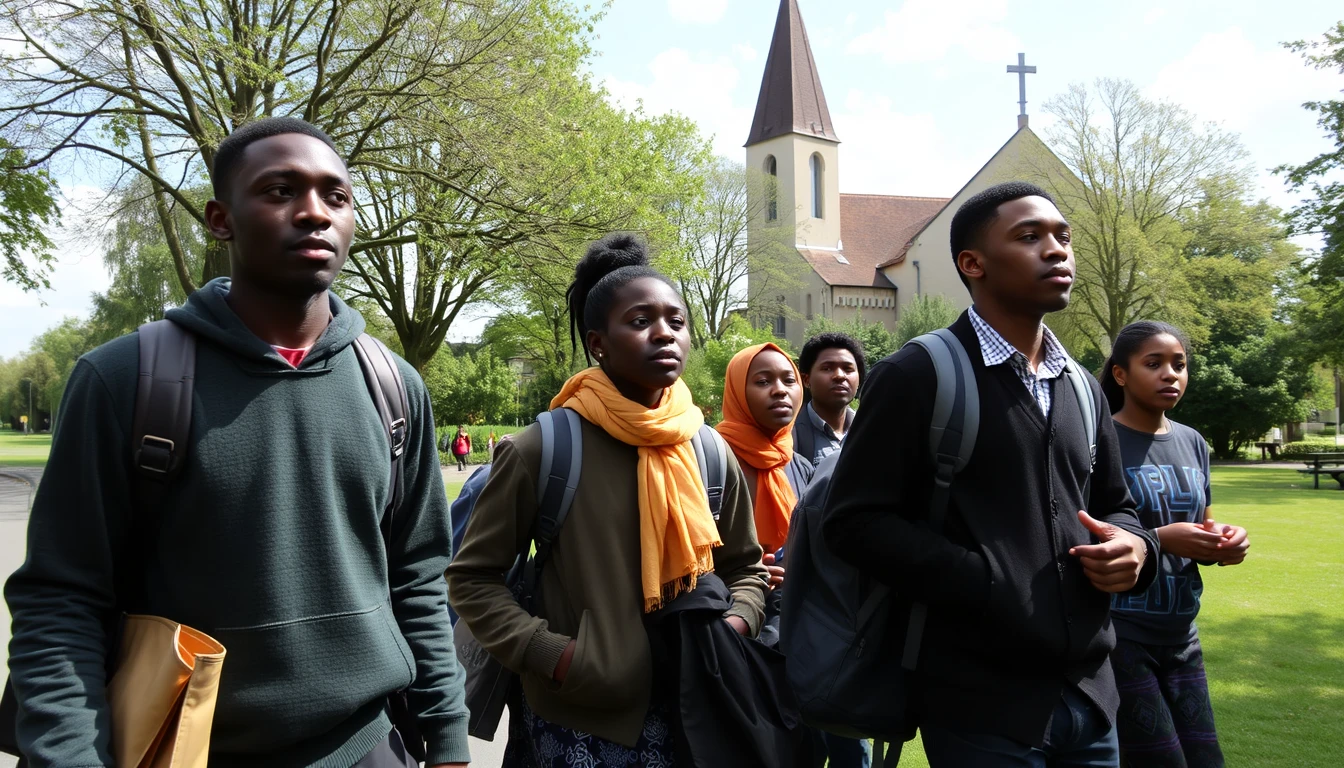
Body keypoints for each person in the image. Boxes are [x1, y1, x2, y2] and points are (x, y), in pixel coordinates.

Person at [4, 118, 470, 767]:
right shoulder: (121, 381)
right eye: (281, 190)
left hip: (365, 745)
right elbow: (60, 601)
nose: (314, 212)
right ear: (220, 219)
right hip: (178, 749)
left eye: (336, 196)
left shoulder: (393, 386)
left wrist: (446, 739)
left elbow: (419, 579)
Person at [825, 181, 1159, 768]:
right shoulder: (919, 374)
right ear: (972, 264)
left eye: (1063, 237)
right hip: (979, 704)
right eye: (1029, 237)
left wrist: (1137, 548)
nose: (1056, 250)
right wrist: (983, 579)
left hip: (1091, 697)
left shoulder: (1081, 385)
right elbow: (855, 521)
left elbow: (1118, 504)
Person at [446, 234, 768, 767]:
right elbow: (473, 579)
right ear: (599, 344)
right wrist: (558, 655)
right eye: (640, 321)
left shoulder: (709, 448)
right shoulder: (544, 448)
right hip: (579, 718)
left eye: (677, 321)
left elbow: (745, 568)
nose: (664, 333)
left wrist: (736, 625)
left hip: (698, 708)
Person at [1100, 321, 1249, 768]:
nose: (1171, 374)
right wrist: (1160, 540)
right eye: (1154, 363)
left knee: (1206, 758)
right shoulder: (1099, 441)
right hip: (1121, 634)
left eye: (1179, 365)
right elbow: (1086, 531)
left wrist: (1227, 542)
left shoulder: (1193, 442)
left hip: (1183, 632)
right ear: (1121, 374)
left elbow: (1202, 522)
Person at [716, 343, 870, 768]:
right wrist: (741, 572)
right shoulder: (709, 459)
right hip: (736, 638)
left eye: (786, 380)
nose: (780, 391)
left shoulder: (798, 466)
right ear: (737, 390)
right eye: (762, 381)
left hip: (801, 636)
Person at [793, 332, 866, 467]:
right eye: (827, 368)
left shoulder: (868, 431)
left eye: (848, 369)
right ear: (806, 380)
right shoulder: (790, 437)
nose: (839, 376)